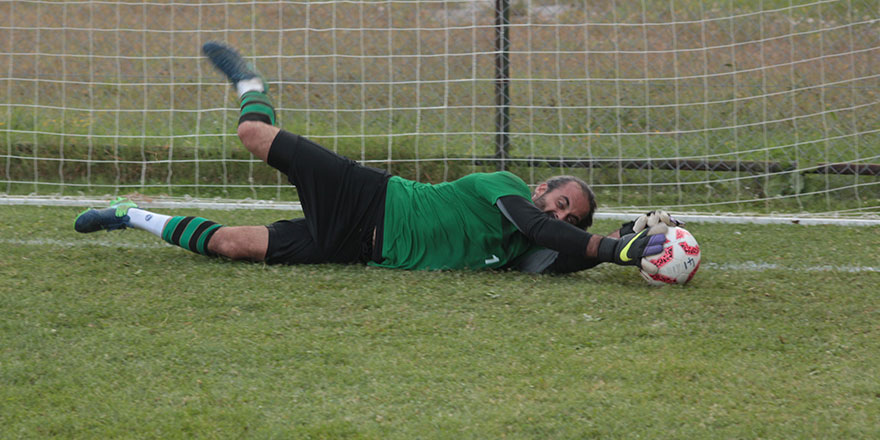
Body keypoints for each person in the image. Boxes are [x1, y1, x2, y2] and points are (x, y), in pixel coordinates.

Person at [75, 42, 676, 275]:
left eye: (573, 218)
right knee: (255, 137)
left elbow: (555, 255)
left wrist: (627, 239)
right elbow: (539, 226)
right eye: (563, 201)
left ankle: (129, 214)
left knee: (232, 244)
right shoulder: (505, 186)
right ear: (543, 187)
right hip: (367, 195)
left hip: (357, 248)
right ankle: (251, 83)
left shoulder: (526, 249)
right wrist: (610, 247)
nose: (561, 215)